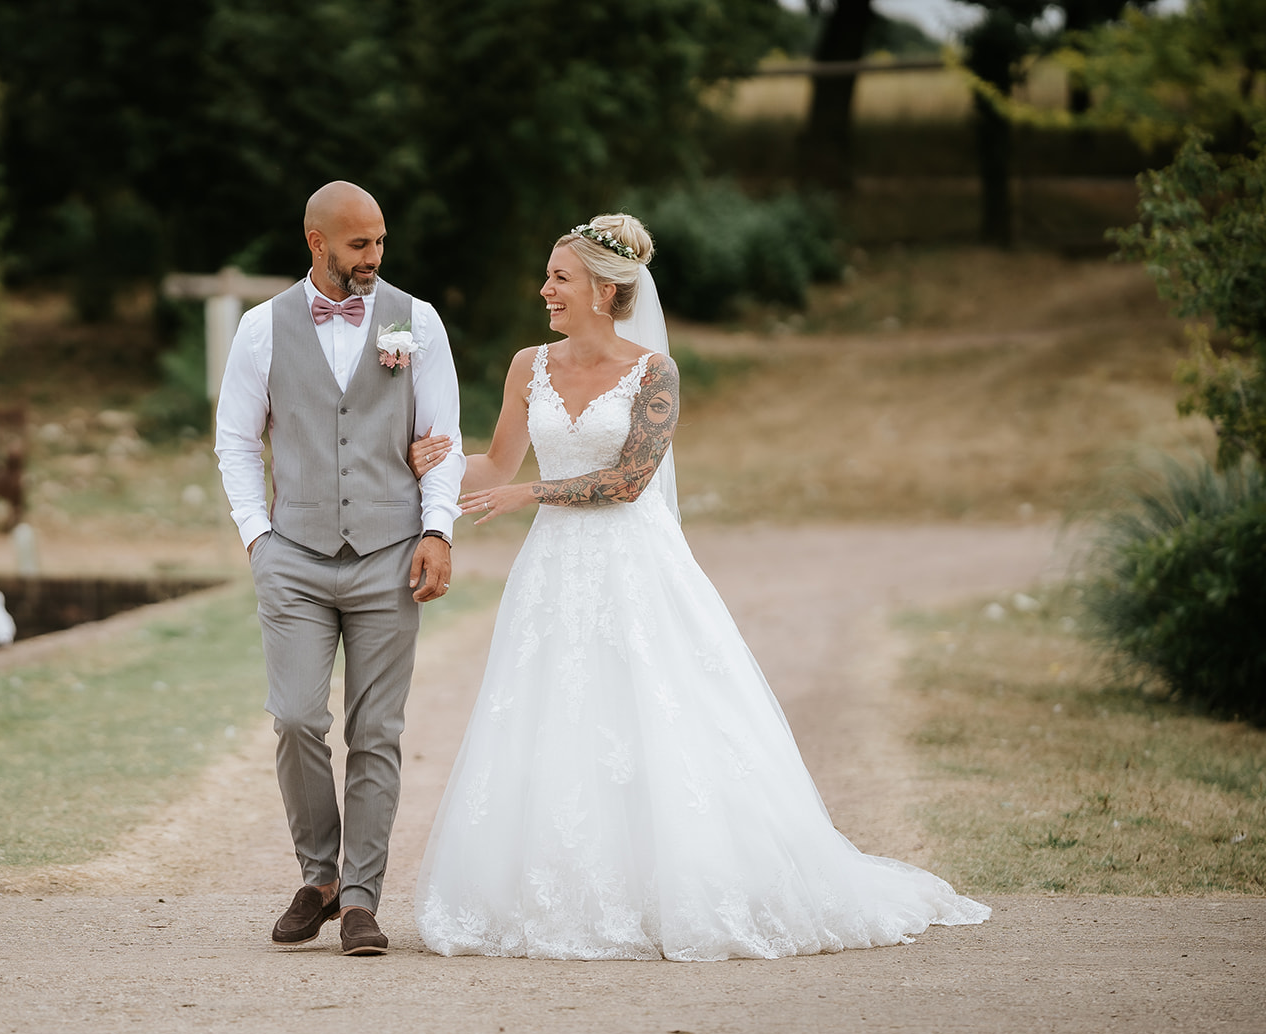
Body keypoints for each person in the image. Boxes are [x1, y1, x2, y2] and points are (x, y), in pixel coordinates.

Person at [408, 213, 989, 960]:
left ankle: (683, 885)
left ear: (602, 288)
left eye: (559, 276)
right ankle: (563, 888)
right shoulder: (529, 366)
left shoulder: (654, 373)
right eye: (549, 275)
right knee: (556, 712)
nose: (544, 288)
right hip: (552, 573)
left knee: (656, 711)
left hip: (633, 565)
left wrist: (529, 496)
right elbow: (497, 464)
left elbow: (628, 480)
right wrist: (436, 462)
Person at [214, 181, 465, 956]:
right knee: (295, 717)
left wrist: (438, 530)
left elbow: (441, 437)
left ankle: (359, 899)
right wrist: (259, 538)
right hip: (294, 555)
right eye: (360, 244)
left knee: (377, 732)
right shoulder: (261, 329)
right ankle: (317, 877)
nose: (374, 258)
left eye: (381, 242)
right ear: (316, 240)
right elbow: (235, 440)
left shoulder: (413, 319)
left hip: (391, 553)